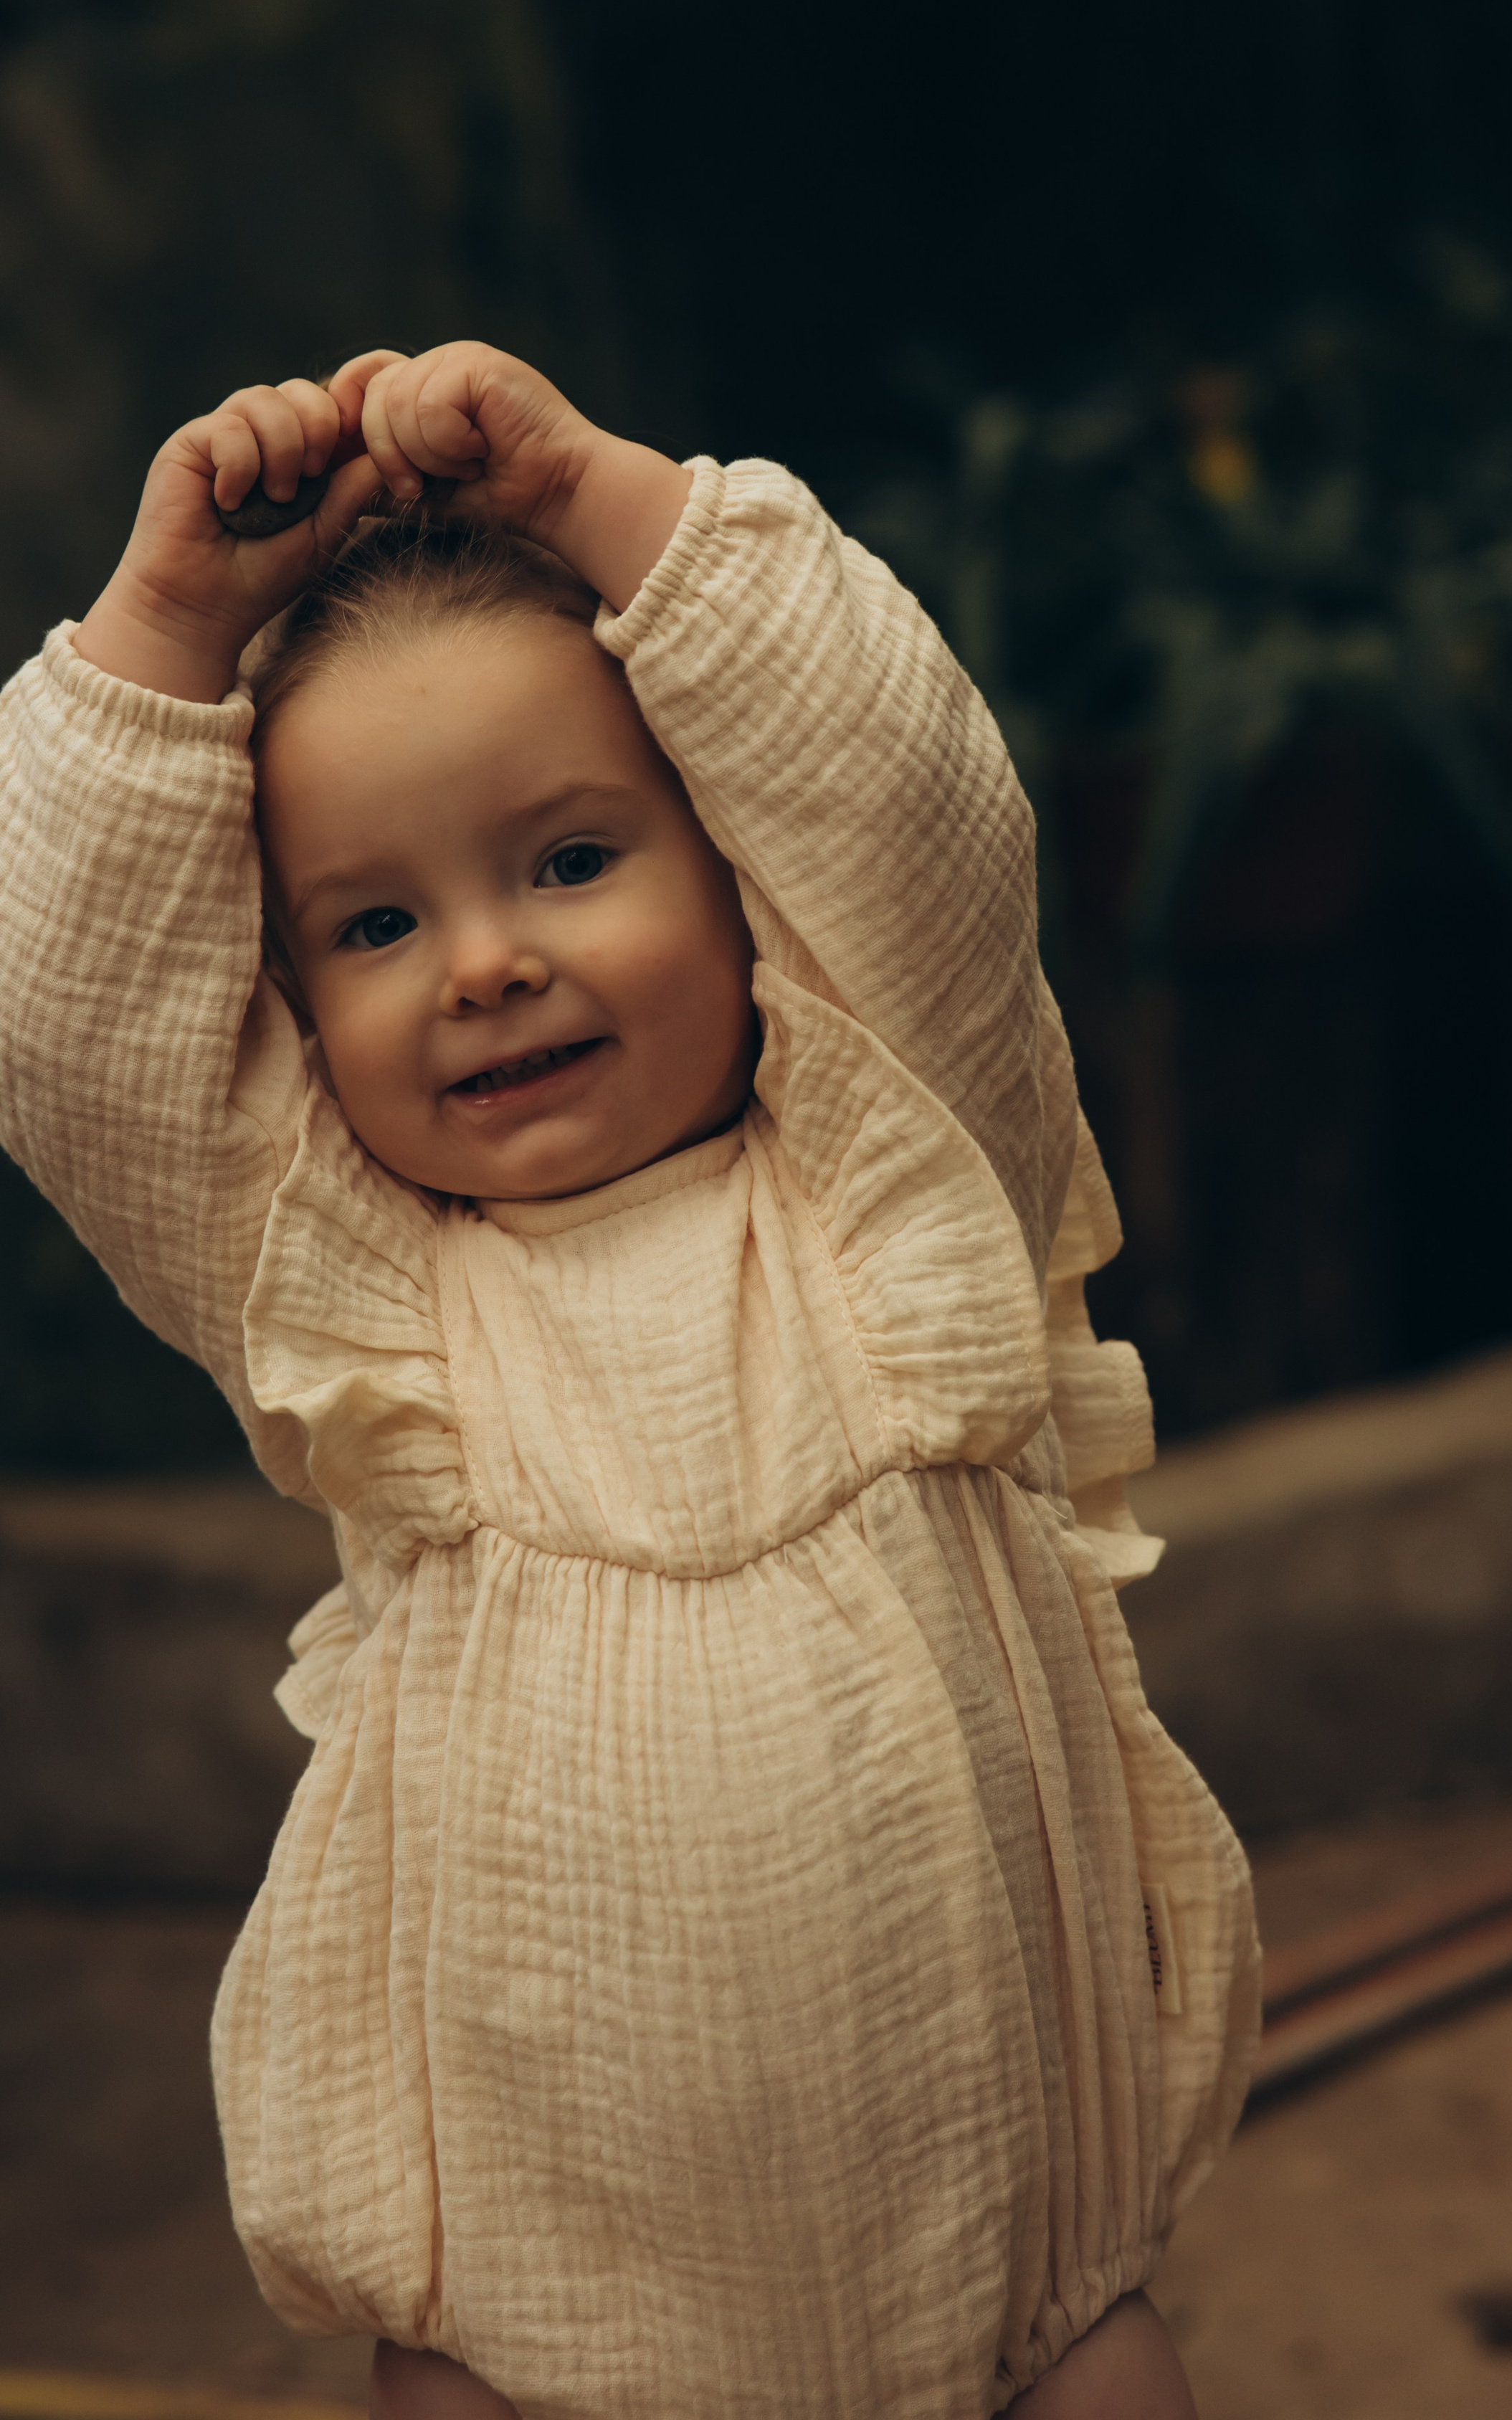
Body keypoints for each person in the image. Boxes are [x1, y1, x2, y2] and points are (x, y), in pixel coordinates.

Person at [0, 342, 1260, 2419]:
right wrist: (165, 628)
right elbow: (68, 1029)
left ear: (742, 878)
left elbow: (911, 807)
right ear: (296, 1016)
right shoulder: (360, 1302)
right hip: (545, 2324)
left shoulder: (896, 1181)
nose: (486, 962)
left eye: (572, 860)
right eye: (379, 922)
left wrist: (599, 494)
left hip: (1022, 2290)